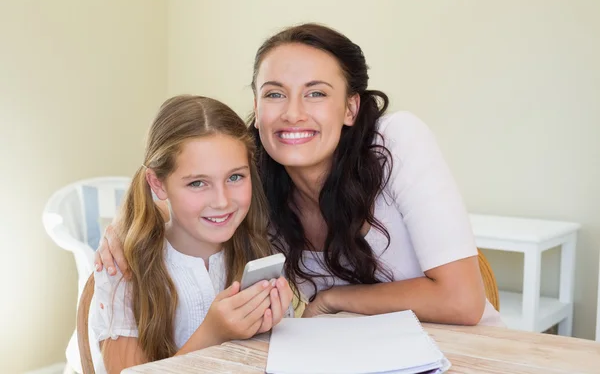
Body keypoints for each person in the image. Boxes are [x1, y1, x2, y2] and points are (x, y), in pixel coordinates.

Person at [96, 24, 503, 327]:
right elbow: (181, 173)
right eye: (275, 94)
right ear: (256, 105)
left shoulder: (397, 141)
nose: (292, 112)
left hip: (458, 351)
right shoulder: (250, 173)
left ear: (350, 108)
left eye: (316, 93)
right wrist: (123, 226)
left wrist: (334, 299)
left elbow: (462, 301)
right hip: (345, 357)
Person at [89, 95, 293, 374]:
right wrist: (213, 334)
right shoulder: (123, 273)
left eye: (235, 177)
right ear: (157, 184)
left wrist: (277, 327)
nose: (222, 201)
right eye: (198, 183)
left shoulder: (261, 250)